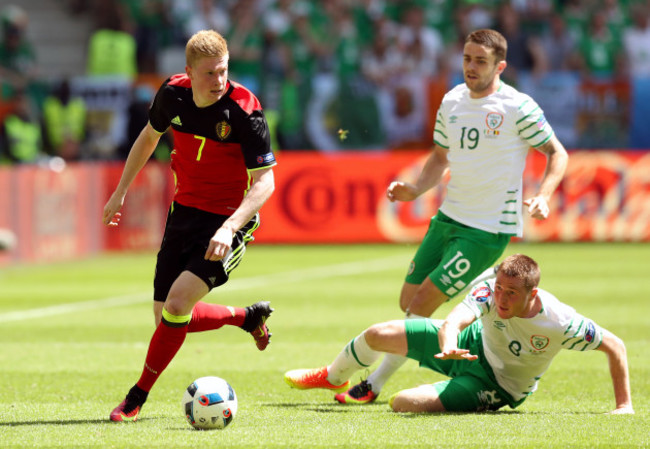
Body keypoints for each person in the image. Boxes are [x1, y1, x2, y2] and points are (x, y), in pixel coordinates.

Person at [332, 29, 569, 405]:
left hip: (487, 229)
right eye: (466, 59)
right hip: (449, 217)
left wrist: (543, 195)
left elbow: (557, 153)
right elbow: (440, 157)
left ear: (500, 66)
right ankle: (463, 339)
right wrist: (414, 190)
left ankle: (372, 385)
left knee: (420, 304)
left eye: (480, 61)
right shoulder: (452, 101)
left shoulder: (518, 107)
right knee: (408, 301)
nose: (471, 67)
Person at [103, 29, 277, 422]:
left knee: (178, 306)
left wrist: (230, 227)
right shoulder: (172, 95)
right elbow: (149, 136)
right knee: (167, 316)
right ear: (189, 72)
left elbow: (266, 181)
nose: (219, 81)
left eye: (224, 71)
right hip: (183, 212)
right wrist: (120, 192)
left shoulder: (244, 110)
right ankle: (246, 317)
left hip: (227, 219)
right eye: (210, 73)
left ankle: (135, 398)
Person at [285, 254, 634, 415]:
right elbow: (453, 321)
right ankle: (332, 377)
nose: (501, 298)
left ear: (533, 295)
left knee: (403, 403)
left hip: (500, 385)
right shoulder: (489, 294)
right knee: (378, 333)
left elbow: (614, 345)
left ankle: (382, 389)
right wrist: (450, 346)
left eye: (512, 293)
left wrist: (624, 407)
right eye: (499, 288)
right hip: (467, 346)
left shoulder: (560, 321)